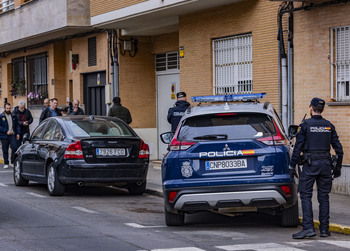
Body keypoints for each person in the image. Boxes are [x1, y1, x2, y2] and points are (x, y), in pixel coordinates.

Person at [290, 97, 343, 239]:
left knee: (306, 196)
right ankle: (324, 230)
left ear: (311, 109)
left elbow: (297, 149)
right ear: (323, 109)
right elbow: (339, 149)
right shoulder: (329, 126)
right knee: (324, 197)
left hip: (310, 165)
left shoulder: (305, 125)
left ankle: (308, 228)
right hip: (326, 166)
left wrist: (291, 166)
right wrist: (337, 168)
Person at [0, 103, 20, 169]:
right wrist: (6, 131)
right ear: (4, 108)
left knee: (14, 147)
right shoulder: (1, 116)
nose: (8, 109)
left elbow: (17, 125)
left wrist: (18, 133)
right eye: (7, 108)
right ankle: (6, 163)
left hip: (12, 135)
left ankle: (12, 161)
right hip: (4, 136)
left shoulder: (13, 115)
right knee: (5, 149)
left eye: (9, 108)